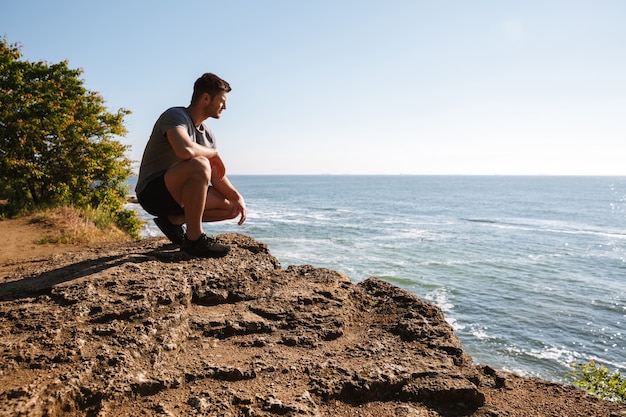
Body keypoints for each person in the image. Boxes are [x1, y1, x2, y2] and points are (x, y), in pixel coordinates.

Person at [135, 73, 246, 257]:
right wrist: (214, 153)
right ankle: (194, 239)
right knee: (200, 163)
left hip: (180, 197)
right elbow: (184, 150)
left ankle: (174, 220)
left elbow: (216, 176)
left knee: (231, 206)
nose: (225, 107)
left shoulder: (208, 135)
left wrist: (237, 197)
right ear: (205, 98)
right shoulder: (175, 116)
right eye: (222, 101)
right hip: (153, 193)